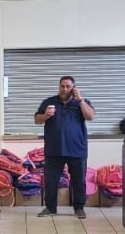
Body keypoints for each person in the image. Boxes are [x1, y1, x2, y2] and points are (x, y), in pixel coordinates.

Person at [34, 75, 96, 219]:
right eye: (62, 86)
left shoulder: (81, 103)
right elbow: (37, 120)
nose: (65, 89)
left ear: (73, 88)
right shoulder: (49, 102)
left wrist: (80, 100)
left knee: (79, 181)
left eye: (68, 86)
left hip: (77, 149)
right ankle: (50, 208)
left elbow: (90, 116)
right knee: (50, 181)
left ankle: (79, 208)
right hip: (54, 149)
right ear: (59, 86)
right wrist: (45, 115)